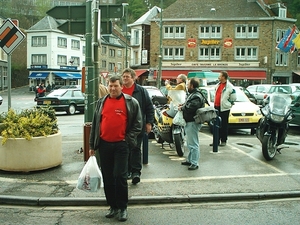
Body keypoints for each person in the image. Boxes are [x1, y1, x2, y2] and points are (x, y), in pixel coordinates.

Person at [89, 75, 142, 222]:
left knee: (120, 175)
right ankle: (113, 206)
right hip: (104, 145)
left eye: (115, 86)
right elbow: (95, 125)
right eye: (110, 86)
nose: (112, 89)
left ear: (121, 87)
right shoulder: (101, 102)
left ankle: (123, 207)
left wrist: (127, 138)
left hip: (121, 145)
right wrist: (92, 146)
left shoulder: (131, 102)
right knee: (108, 177)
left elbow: (138, 123)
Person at [121, 68, 154, 184]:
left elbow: (149, 107)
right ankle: (127, 171)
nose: (125, 78)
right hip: (122, 126)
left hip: (137, 125)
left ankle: (136, 172)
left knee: (135, 148)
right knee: (124, 149)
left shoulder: (141, 91)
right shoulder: (119, 90)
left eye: (127, 77)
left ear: (134, 78)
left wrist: (149, 122)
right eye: (123, 76)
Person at [178, 78, 204, 170]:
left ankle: (194, 162)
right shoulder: (194, 94)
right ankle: (190, 160)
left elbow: (191, 107)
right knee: (190, 143)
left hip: (193, 122)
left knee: (193, 143)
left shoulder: (196, 96)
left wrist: (182, 107)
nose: (187, 86)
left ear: (192, 85)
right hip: (190, 121)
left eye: (188, 84)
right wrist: (183, 106)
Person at [210, 71, 236, 147]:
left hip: (224, 108)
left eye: (220, 76)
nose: (218, 77)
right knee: (216, 124)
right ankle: (216, 140)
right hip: (217, 107)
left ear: (224, 77)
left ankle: (223, 140)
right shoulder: (218, 85)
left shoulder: (230, 87)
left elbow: (233, 97)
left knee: (224, 124)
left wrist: (229, 104)